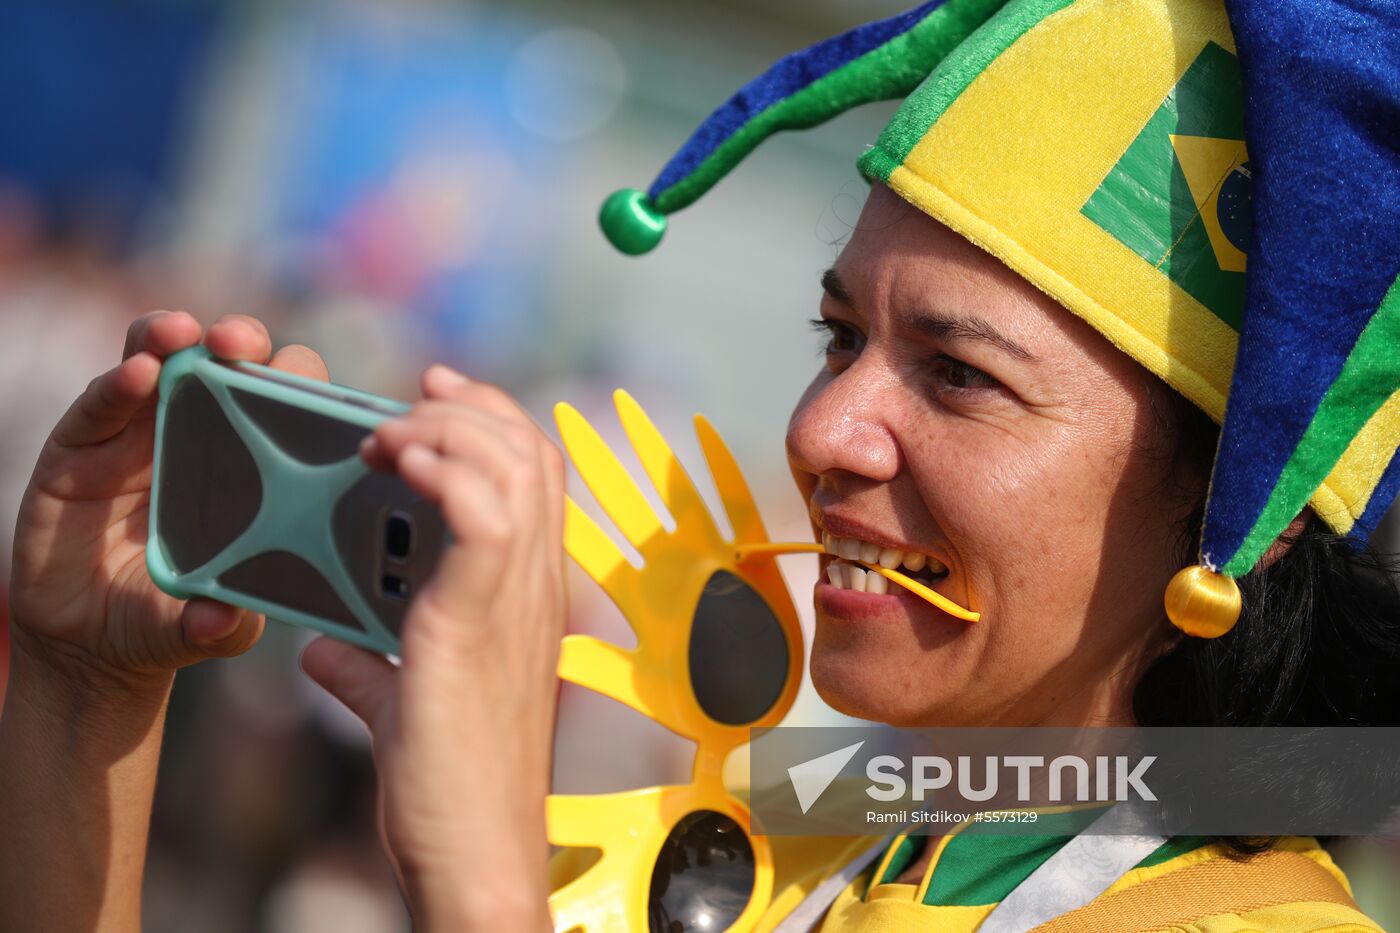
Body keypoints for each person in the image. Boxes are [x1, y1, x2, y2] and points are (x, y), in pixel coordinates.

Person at [3, 0, 1398, 930]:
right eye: (838, 334)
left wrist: (483, 874)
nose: (822, 430)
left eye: (958, 375)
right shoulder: (818, 824)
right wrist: (85, 698)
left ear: (1248, 515)